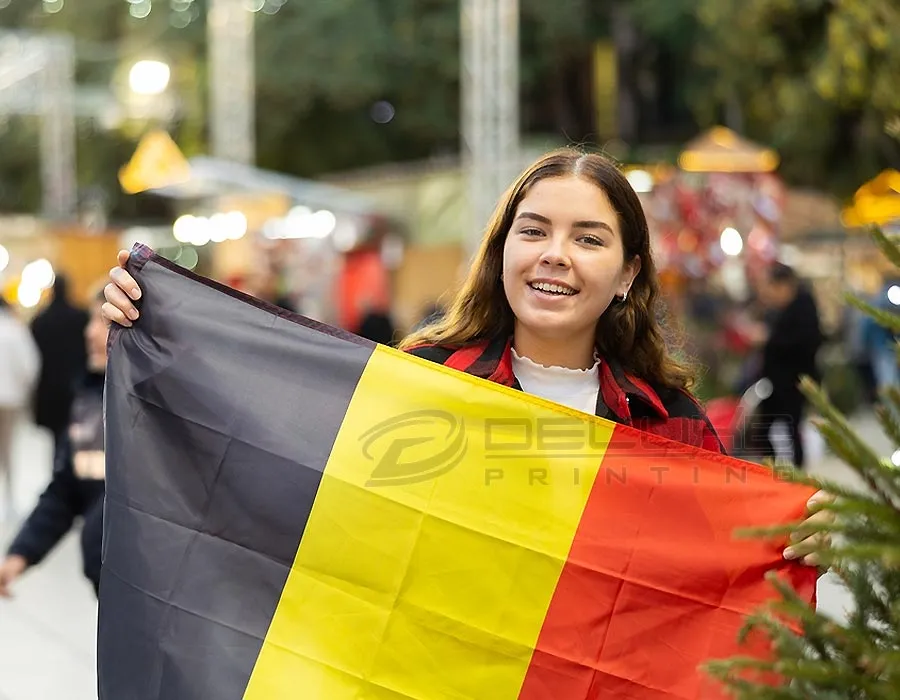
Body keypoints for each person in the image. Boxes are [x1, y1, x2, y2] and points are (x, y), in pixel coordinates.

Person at [101, 148, 832, 568]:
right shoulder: (422, 381)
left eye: (588, 238)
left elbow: (719, 571)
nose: (555, 255)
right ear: (502, 250)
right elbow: (293, 488)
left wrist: (794, 538)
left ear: (628, 273)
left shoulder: (667, 419)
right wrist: (161, 332)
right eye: (533, 230)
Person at [0, 289, 108, 598]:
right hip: (107, 587)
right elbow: (67, 489)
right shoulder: (92, 403)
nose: (90, 333)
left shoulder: (162, 412)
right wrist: (20, 554)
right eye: (91, 321)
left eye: (104, 322)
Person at [749, 262, 824, 469]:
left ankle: (797, 475)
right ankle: (771, 473)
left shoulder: (803, 307)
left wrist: (769, 340)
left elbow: (806, 342)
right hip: (774, 382)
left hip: (794, 382)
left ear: (784, 285)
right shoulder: (776, 310)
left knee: (793, 430)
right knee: (763, 430)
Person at [30, 275, 89, 453]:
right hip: (75, 383)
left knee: (56, 436)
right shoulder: (80, 317)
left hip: (49, 387)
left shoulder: (40, 320)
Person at [0, 297, 41, 521]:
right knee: (7, 451)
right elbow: (30, 364)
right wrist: (24, 391)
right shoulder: (15, 330)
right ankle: (8, 500)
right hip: (10, 399)